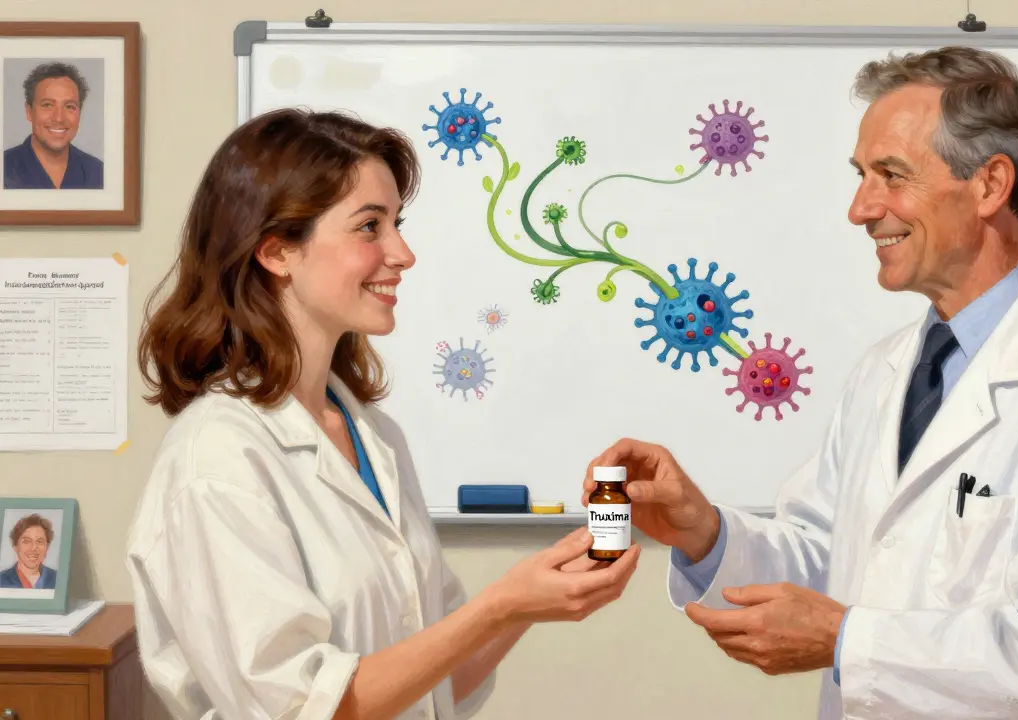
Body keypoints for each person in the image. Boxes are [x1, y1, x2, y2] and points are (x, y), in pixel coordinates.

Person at [583, 46, 1018, 719]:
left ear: (989, 185)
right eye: (862, 175)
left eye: (891, 175)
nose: (861, 208)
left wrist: (847, 639)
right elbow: (825, 557)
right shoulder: (886, 372)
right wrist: (704, 532)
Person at [126, 108, 640, 720]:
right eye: (370, 227)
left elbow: (439, 680)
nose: (403, 253)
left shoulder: (374, 437)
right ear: (276, 251)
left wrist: (527, 602)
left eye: (397, 223)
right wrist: (500, 604)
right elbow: (306, 708)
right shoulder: (216, 458)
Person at [2, 61, 105, 189]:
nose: (59, 118)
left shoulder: (99, 173)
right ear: (29, 111)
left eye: (69, 106)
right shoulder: (4, 167)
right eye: (47, 105)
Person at [0, 514, 57, 590]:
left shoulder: (58, 579)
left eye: (40, 541)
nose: (34, 547)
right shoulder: (2, 580)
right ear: (15, 546)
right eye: (27, 541)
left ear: (47, 546)